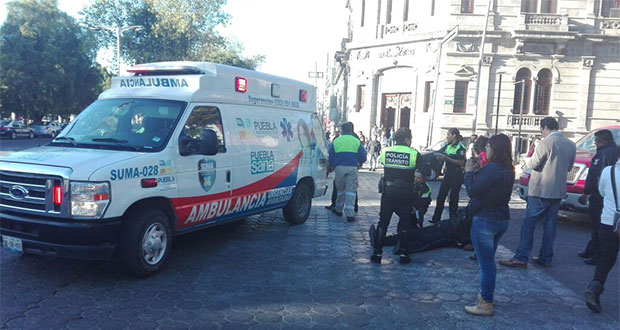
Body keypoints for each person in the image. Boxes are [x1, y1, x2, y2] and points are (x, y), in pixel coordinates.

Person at [500, 117, 576, 269]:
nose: (541, 133)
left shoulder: (545, 142)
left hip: (541, 189)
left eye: (541, 130)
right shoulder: (570, 144)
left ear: (545, 128)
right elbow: (569, 168)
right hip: (558, 191)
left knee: (529, 224)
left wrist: (526, 160)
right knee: (550, 225)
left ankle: (521, 257)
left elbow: (534, 164)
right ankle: (546, 257)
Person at [463, 133, 515, 316]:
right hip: (502, 218)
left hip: (486, 219)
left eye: (487, 147)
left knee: (486, 264)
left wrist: (469, 172)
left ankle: (486, 302)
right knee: (488, 261)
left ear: (494, 149)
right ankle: (486, 296)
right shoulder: (508, 168)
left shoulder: (492, 169)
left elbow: (473, 191)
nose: (485, 150)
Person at [370, 127, 419, 264]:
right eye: (410, 139)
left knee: (383, 222)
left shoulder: (386, 151)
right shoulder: (413, 153)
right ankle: (403, 254)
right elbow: (421, 171)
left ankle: (377, 253)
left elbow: (383, 163)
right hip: (406, 192)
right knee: (405, 223)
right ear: (406, 139)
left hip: (389, 191)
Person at [585, 151, 620, 314]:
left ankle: (595, 286)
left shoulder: (608, 171)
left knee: (606, 258)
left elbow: (602, 191)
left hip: (608, 221)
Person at [578, 130, 618, 265]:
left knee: (599, 226)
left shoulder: (603, 153)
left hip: (599, 195)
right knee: (599, 226)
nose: (594, 143)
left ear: (603, 140)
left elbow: (595, 175)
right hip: (608, 194)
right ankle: (592, 250)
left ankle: (597, 254)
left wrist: (586, 192)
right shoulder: (613, 151)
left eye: (596, 141)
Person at [328, 122, 366, 222]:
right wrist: (359, 162)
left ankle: (338, 209)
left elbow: (331, 155)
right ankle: (350, 214)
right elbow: (363, 156)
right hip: (352, 168)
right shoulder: (356, 141)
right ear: (351, 130)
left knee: (340, 189)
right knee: (351, 191)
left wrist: (332, 165)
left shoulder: (337, 141)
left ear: (342, 130)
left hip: (339, 167)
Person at [431, 128, 467, 224]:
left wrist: (447, 158)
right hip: (449, 173)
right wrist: (440, 158)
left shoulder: (460, 147)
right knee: (441, 195)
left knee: (453, 197)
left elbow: (461, 162)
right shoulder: (448, 146)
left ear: (454, 135)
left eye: (448, 135)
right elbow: (444, 155)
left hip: (457, 173)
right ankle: (436, 218)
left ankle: (453, 218)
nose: (447, 137)